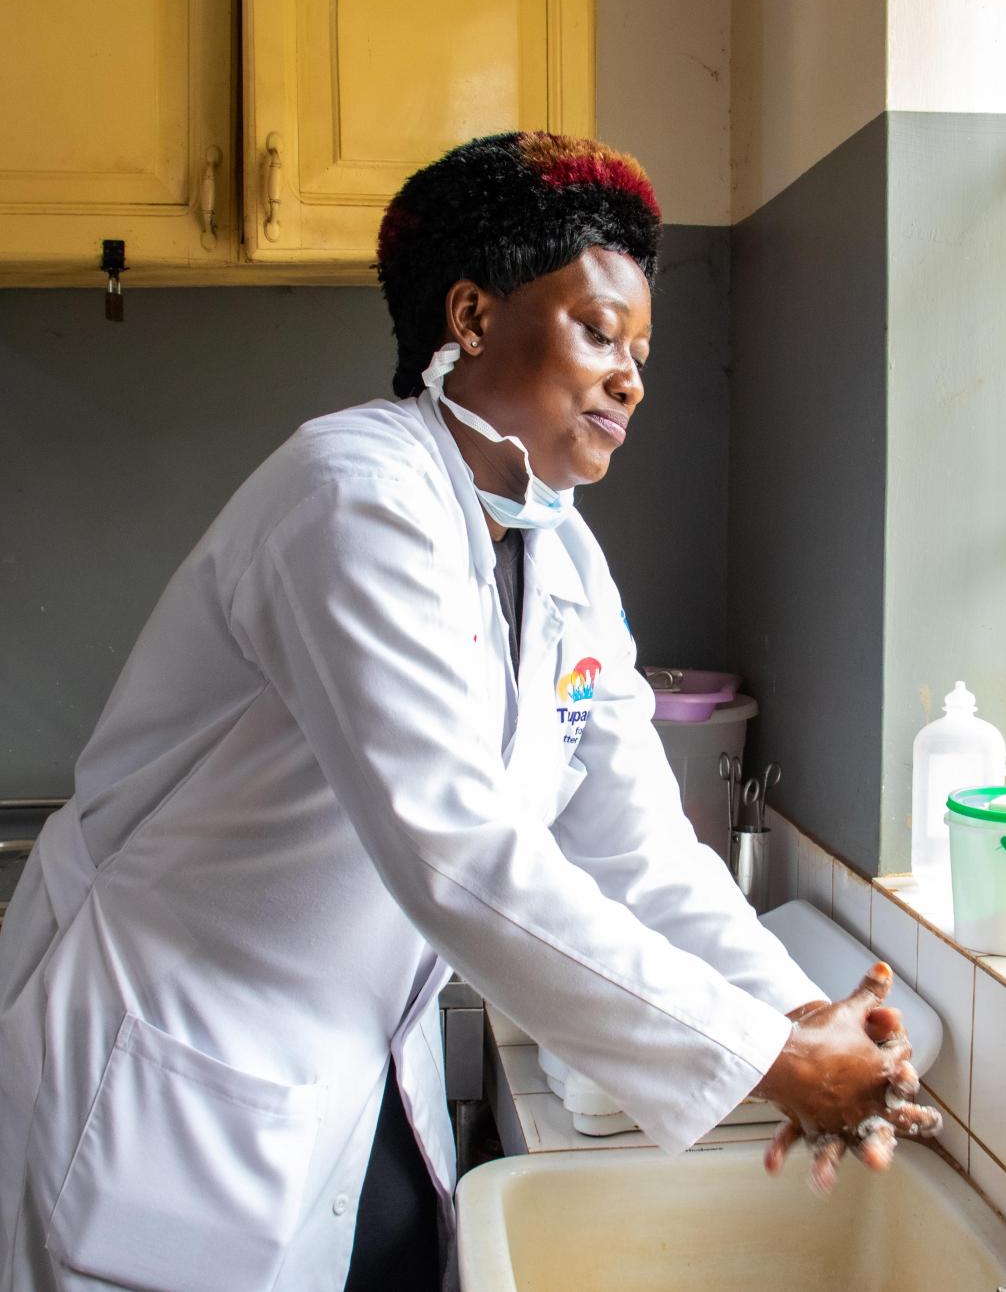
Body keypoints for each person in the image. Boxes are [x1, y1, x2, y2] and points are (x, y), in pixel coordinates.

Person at [0, 132, 938, 1292]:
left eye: (642, 349)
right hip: (175, 1061)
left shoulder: (563, 558)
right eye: (599, 332)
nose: (632, 377)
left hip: (348, 1074)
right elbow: (461, 856)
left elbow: (637, 847)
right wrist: (770, 1059)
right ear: (472, 317)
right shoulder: (349, 497)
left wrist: (797, 1008)